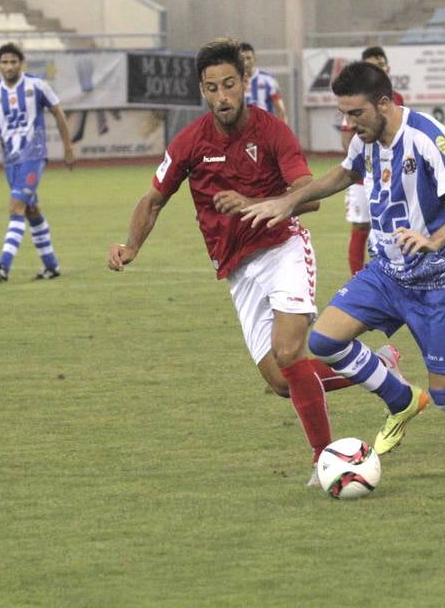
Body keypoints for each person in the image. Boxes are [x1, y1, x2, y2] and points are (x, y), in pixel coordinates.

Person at [105, 37, 404, 487]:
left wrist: (253, 201)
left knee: (289, 352)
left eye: (229, 84)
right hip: (238, 269)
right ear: (202, 91)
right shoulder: (189, 142)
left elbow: (308, 196)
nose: (222, 96)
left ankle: (323, 459)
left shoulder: (271, 132)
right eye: (212, 88)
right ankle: (383, 370)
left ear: (244, 82)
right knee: (283, 382)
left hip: (284, 247)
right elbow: (153, 199)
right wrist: (131, 246)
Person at [241, 60, 445, 489]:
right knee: (325, 340)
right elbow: (346, 173)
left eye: (357, 114)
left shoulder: (423, 135)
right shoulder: (365, 141)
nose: (348, 124)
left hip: (442, 278)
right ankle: (400, 398)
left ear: (384, 103)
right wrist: (289, 201)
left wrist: (434, 239)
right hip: (388, 272)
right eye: (343, 114)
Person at [0, 42, 75, 282]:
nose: (9, 66)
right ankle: (51, 266)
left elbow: (58, 112)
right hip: (11, 161)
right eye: (4, 62)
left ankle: (3, 266)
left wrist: (67, 147)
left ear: (21, 63)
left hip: (33, 155)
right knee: (31, 210)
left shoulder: (37, 85)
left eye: (13, 62)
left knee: (15, 207)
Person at [340, 46, 404, 275]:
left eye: (380, 64)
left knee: (391, 226)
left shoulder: (396, 100)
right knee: (361, 226)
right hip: (363, 177)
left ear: (387, 67)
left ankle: (395, 276)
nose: (378, 69)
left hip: (390, 176)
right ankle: (357, 279)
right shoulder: (355, 103)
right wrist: (366, 167)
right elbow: (347, 142)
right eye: (372, 66)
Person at [238, 42, 288, 127]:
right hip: (242, 132)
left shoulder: (268, 80)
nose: (246, 62)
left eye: (249, 58)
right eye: (242, 59)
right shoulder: (234, 83)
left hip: (265, 131)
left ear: (255, 59)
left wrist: (282, 135)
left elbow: (280, 110)